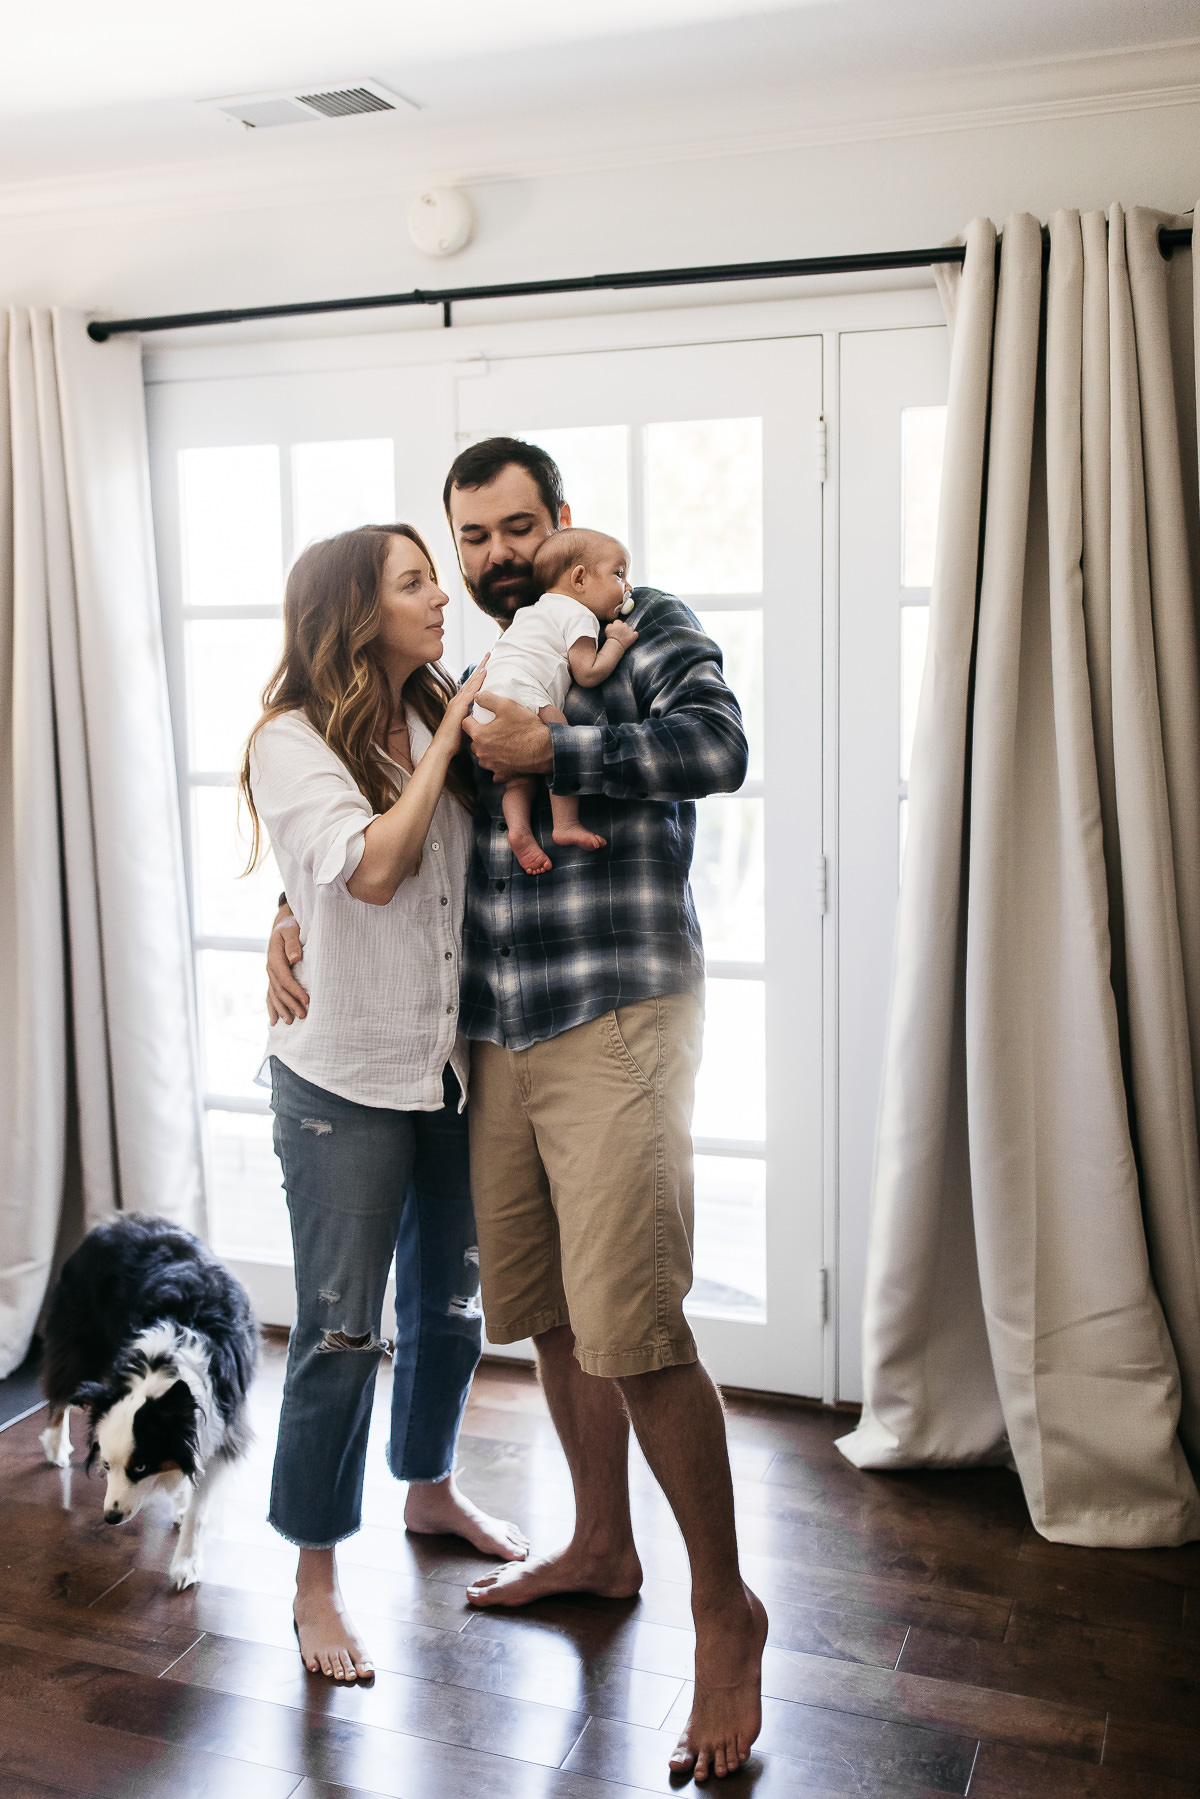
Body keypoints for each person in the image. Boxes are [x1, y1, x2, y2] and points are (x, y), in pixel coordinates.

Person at [268, 440, 766, 1782]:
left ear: (560, 520)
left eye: (513, 527)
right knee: (544, 1313)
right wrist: (285, 909)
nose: (492, 556)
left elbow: (718, 745)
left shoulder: (633, 621)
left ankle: (727, 1612)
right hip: (489, 1035)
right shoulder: (450, 679)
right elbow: (376, 822)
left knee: (638, 1327)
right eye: (466, 538)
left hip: (614, 1010)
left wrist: (564, 742)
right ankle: (600, 1539)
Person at [243, 522, 527, 1686]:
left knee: (452, 1308)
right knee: (343, 1332)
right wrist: (452, 731)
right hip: (340, 1081)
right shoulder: (290, 738)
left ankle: (431, 1487)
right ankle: (315, 1575)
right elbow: (368, 867)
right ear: (358, 611)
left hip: (445, 1068)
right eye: (416, 583)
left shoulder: (438, 709)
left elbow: (467, 875)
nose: (441, 597)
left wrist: (455, 725)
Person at [473, 527, 638, 874]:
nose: (628, 588)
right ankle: (565, 824)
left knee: (519, 777)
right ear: (579, 578)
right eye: (619, 574)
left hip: (487, 698)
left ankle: (518, 831)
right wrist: (617, 643)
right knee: (560, 738)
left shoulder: (535, 611)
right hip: (519, 689)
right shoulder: (578, 614)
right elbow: (588, 672)